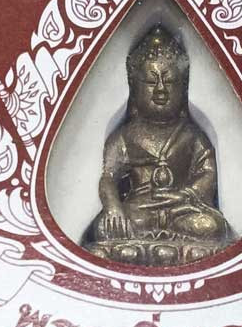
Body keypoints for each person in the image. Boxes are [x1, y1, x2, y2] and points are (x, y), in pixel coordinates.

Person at [82, 24, 231, 266]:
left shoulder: (191, 135)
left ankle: (147, 250)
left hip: (181, 210)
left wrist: (185, 195)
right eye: (151, 82)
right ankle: (171, 251)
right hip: (140, 209)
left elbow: (207, 172)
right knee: (104, 228)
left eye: (169, 81)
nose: (161, 90)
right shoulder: (125, 136)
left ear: (183, 88)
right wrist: (113, 208)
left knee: (211, 226)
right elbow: (108, 177)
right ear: (134, 88)